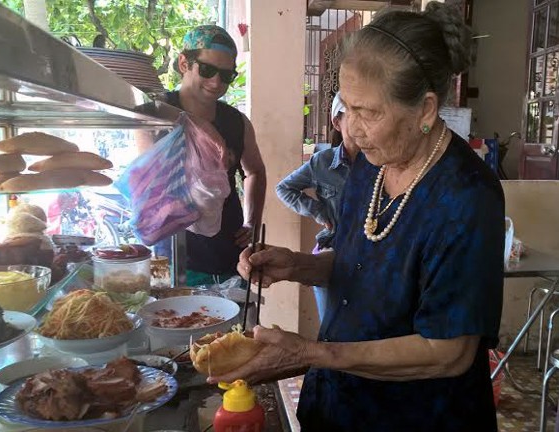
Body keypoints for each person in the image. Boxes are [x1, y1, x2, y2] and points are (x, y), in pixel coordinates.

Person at [210, 3, 504, 431]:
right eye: (346, 107)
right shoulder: (372, 163)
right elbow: (363, 264)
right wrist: (300, 265)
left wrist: (308, 354)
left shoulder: (467, 197)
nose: (351, 128)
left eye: (368, 112)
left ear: (424, 109)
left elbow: (449, 351)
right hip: (342, 402)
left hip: (417, 416)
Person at [165, 25, 266, 287]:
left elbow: (255, 171)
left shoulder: (236, 122)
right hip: (173, 257)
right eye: (208, 70)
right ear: (184, 63)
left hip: (228, 255)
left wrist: (251, 222)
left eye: (226, 75)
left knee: (231, 328)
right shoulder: (158, 115)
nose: (216, 83)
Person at [275, 92, 359, 320]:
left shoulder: (383, 163)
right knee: (331, 326)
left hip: (374, 258)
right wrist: (317, 211)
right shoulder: (321, 163)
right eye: (355, 115)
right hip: (332, 252)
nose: (364, 125)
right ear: (336, 122)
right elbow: (284, 188)